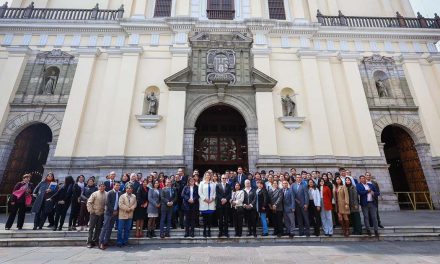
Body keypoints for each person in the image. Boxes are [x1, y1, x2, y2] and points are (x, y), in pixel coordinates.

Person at [99, 182, 120, 250]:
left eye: (119, 185)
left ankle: (106, 241)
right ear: (114, 186)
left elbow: (119, 203)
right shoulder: (110, 192)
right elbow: (107, 203)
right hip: (108, 213)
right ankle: (101, 242)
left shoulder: (119, 193)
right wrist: (113, 210)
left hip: (115, 213)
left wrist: (117, 210)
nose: (117, 186)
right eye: (116, 185)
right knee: (105, 227)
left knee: (110, 228)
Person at [86, 182, 107, 248]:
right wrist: (91, 211)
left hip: (101, 214)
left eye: (103, 186)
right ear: (98, 187)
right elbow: (89, 202)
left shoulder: (107, 194)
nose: (102, 187)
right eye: (100, 186)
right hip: (94, 213)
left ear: (105, 187)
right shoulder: (94, 194)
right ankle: (89, 242)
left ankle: (95, 240)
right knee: (91, 228)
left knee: (98, 228)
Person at [198, 172, 216, 237]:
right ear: (205, 176)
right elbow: (200, 192)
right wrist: (205, 199)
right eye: (207, 175)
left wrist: (212, 199)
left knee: (209, 219)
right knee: (205, 219)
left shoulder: (213, 183)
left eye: (209, 175)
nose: (208, 176)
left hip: (211, 203)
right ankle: (204, 231)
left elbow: (215, 192)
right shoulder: (201, 183)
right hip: (204, 203)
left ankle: (209, 230)